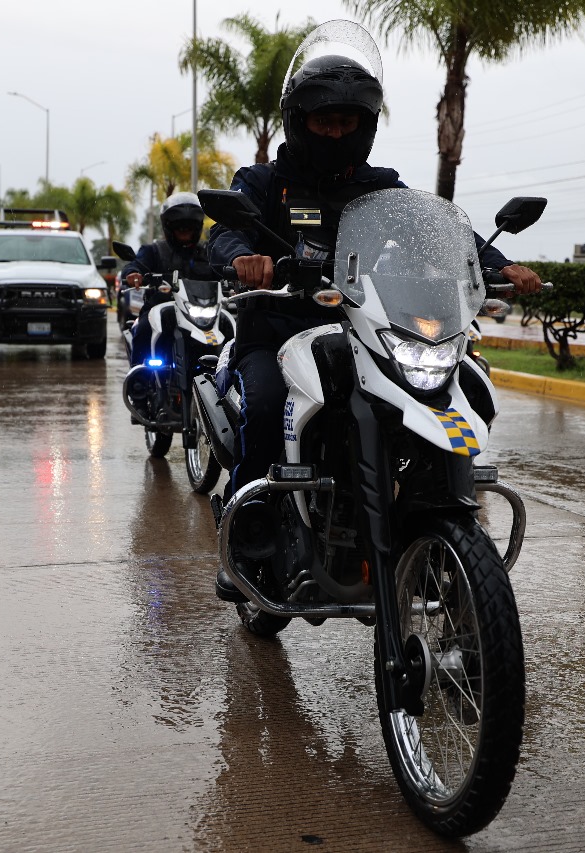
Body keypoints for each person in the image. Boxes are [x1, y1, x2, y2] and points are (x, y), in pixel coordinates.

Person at [207, 46, 542, 602]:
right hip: (280, 331)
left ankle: (432, 522)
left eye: (348, 121)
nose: (336, 132)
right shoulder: (266, 182)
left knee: (466, 391)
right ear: (300, 121)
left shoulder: (381, 186)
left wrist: (496, 263)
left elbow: (434, 236)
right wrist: (241, 254)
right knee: (264, 401)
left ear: (365, 126)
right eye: (324, 120)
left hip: (365, 333)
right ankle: (250, 535)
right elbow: (226, 228)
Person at [121, 192, 210, 371]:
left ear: (197, 227)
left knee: (229, 330)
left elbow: (224, 270)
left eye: (189, 226)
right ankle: (139, 381)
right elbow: (135, 265)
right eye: (179, 227)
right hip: (160, 308)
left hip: (200, 313)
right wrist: (133, 274)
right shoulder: (153, 251)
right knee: (144, 328)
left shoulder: (208, 253)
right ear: (169, 227)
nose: (185, 231)